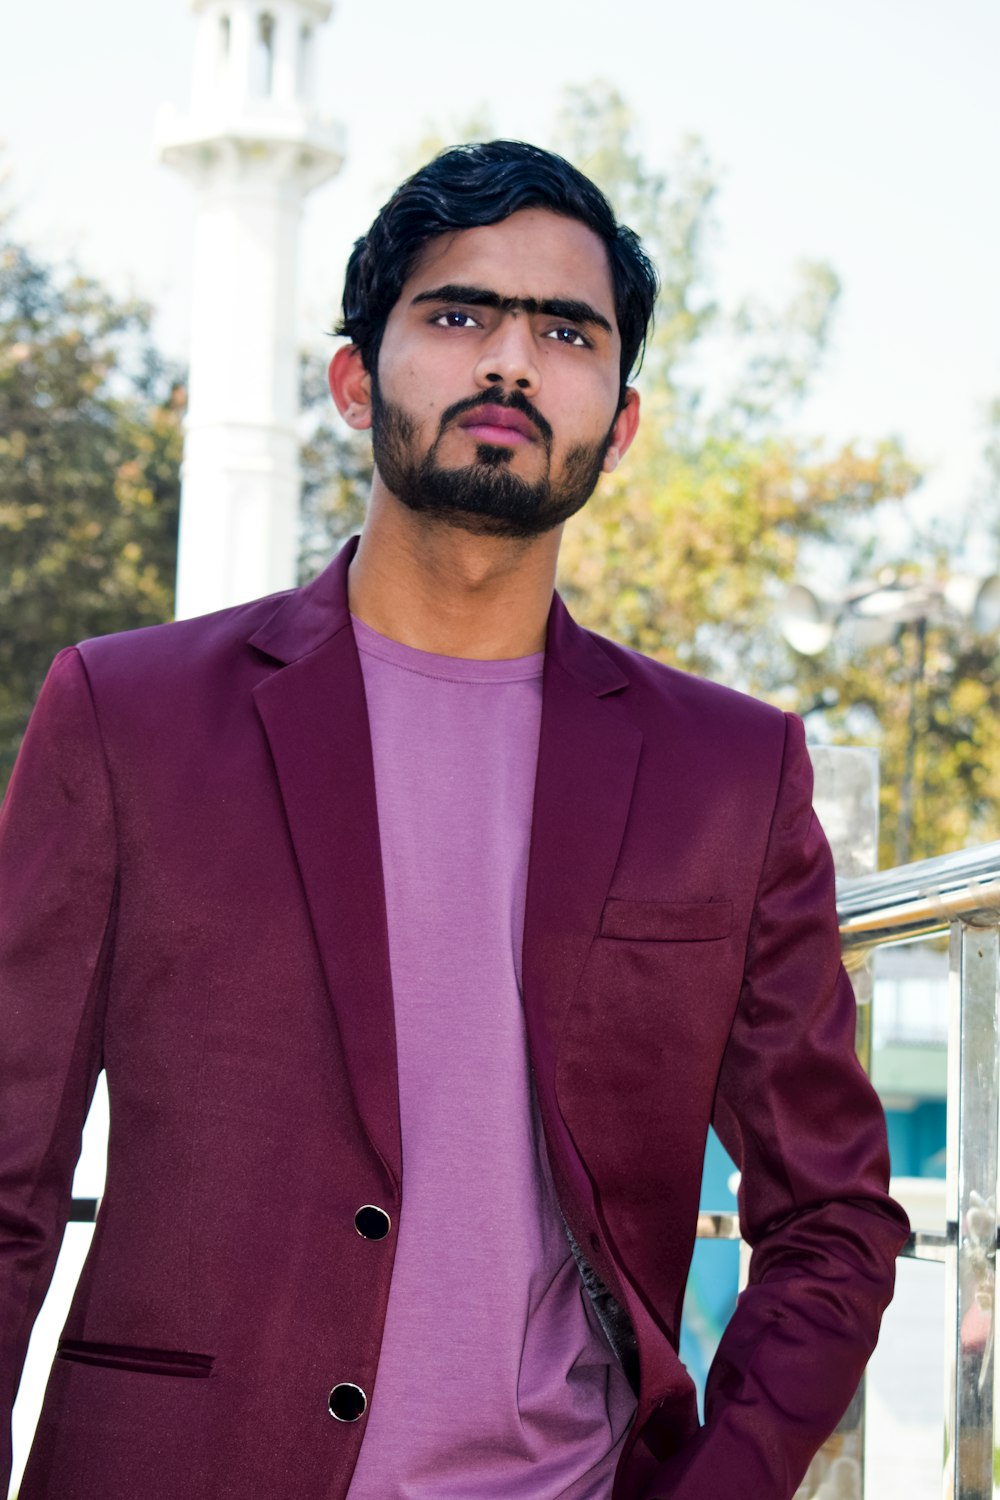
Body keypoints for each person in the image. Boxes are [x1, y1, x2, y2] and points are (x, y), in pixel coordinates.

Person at [0, 140, 907, 1500]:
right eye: (459, 313)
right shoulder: (128, 717)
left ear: (622, 416)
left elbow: (832, 1217)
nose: (513, 363)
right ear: (355, 381)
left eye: (566, 331)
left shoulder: (732, 772)